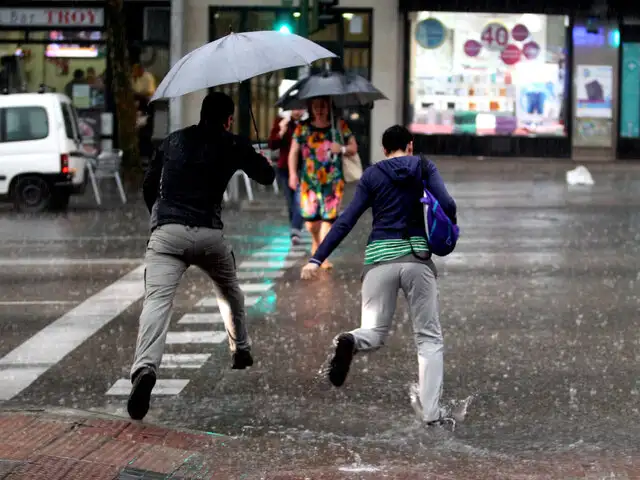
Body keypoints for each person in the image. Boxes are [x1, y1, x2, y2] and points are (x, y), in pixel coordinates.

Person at [127, 92, 276, 421]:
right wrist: (259, 157)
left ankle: (145, 370)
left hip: (167, 234)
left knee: (157, 302)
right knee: (229, 289)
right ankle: (241, 348)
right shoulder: (232, 143)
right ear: (228, 118)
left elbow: (150, 184)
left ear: (202, 113)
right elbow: (266, 178)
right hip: (209, 234)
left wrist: (159, 217)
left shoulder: (173, 140)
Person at [300, 125, 458, 426]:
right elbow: (448, 204)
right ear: (409, 146)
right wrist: (448, 223)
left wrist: (317, 258)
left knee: (373, 332)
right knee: (428, 338)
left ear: (384, 150)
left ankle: (350, 339)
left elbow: (347, 220)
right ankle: (431, 413)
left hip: (379, 260)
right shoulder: (423, 166)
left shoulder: (372, 174)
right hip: (417, 259)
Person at [288, 97, 357, 269]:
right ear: (310, 107)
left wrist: (340, 148)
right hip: (309, 182)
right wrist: (291, 174)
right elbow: (293, 152)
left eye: (323, 106)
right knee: (311, 221)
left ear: (329, 108)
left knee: (329, 219)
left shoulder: (338, 126)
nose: (319, 109)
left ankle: (321, 255)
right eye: (316, 106)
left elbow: (353, 147)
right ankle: (316, 242)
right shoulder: (302, 128)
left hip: (333, 181)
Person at [268, 109, 305, 244]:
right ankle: (295, 228)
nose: (297, 111)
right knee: (291, 202)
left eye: (300, 108)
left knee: (299, 200)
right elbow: (272, 144)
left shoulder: (306, 123)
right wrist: (281, 131)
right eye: (295, 108)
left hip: (303, 168)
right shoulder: (282, 121)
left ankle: (296, 230)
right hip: (284, 168)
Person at [132, 64, 156, 158]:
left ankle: (146, 153)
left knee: (145, 132)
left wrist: (137, 94)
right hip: (136, 107)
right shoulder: (133, 78)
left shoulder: (148, 78)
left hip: (146, 106)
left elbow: (148, 93)